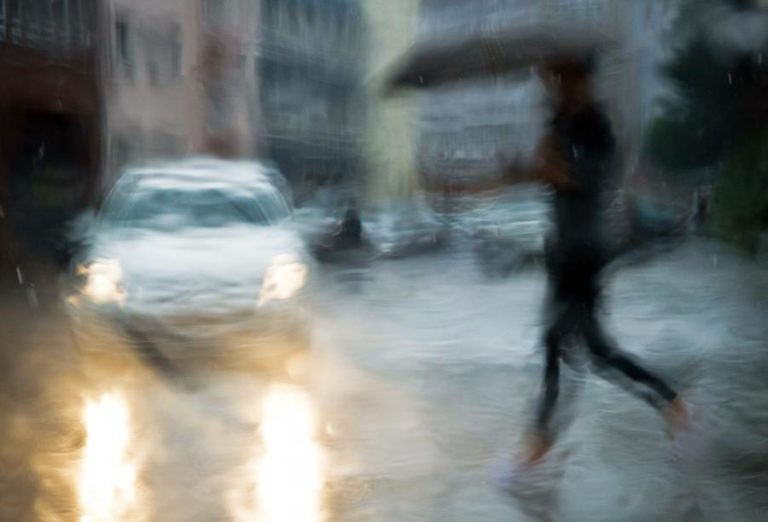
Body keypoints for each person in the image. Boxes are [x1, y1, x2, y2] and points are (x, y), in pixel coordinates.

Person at [523, 55, 689, 465]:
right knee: (590, 350)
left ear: (580, 79)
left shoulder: (597, 124)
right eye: (551, 77)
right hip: (562, 249)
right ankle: (670, 401)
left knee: (560, 341)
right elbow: (553, 183)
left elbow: (599, 178)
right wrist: (539, 166)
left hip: (586, 251)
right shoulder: (558, 123)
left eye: (560, 76)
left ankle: (540, 440)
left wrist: (560, 172)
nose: (554, 83)